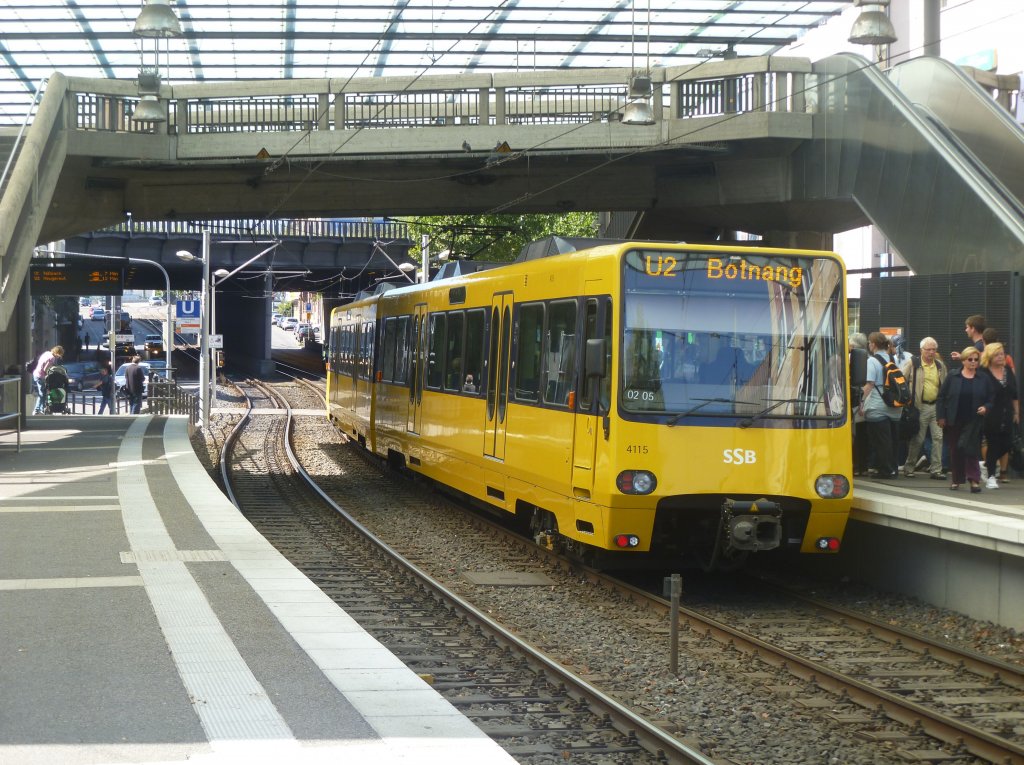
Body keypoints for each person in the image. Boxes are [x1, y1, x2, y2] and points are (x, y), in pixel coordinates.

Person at [936, 346, 994, 492]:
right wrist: (941, 416)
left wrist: (986, 407)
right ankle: (956, 480)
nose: (973, 362)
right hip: (954, 418)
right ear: (963, 361)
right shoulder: (953, 376)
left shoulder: (983, 378)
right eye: (970, 359)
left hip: (974, 420)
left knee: (971, 449)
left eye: (976, 359)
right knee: (955, 449)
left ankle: (974, 480)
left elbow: (991, 398)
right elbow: (941, 397)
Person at [901, 337, 947, 479]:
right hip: (919, 406)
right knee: (918, 439)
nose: (931, 352)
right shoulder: (913, 364)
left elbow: (945, 386)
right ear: (921, 350)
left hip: (936, 406)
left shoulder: (940, 366)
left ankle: (936, 469)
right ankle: (909, 467)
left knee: (938, 438)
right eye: (928, 349)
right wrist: (907, 400)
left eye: (934, 349)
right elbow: (901, 380)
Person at [860, 331, 901, 479]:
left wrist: (861, 402)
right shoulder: (893, 358)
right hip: (895, 405)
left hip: (878, 404)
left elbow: (870, 384)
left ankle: (885, 470)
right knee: (893, 440)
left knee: (880, 441)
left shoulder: (872, 361)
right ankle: (893, 469)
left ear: (873, 344)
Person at [979, 342, 1019, 488]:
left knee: (1008, 443)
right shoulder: (983, 372)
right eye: (997, 354)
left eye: (1002, 354)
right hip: (990, 414)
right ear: (990, 356)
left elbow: (1014, 393)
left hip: (1007, 413)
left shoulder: (1007, 370)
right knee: (993, 444)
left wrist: (1016, 412)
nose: (1001, 357)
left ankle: (985, 464)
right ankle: (991, 477)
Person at [849, 333, 870, 476]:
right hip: (864, 402)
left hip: (859, 402)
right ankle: (861, 465)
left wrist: (861, 402)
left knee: (857, 435)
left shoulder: (857, 360)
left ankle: (857, 465)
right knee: (862, 435)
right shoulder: (868, 359)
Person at [31, 345, 65, 414]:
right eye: (59, 355)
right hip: (41, 376)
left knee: (42, 392)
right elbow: (45, 369)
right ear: (57, 353)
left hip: (36, 374)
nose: (59, 357)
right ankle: (37, 409)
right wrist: (51, 374)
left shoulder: (47, 353)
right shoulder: (52, 358)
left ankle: (41, 408)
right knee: (42, 394)